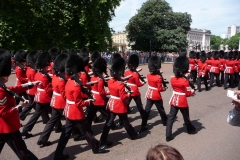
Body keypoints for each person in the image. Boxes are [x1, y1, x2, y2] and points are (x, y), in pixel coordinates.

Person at [54, 54, 106, 160]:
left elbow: (74, 96)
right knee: (86, 131)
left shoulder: (69, 82)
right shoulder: (76, 85)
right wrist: (89, 101)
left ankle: (58, 153)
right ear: (77, 70)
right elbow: (79, 103)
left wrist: (86, 94)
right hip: (76, 112)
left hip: (69, 111)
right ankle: (95, 147)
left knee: (65, 134)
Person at [0, 49, 38, 160]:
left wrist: (30, 84)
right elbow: (3, 113)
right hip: (7, 127)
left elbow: (12, 88)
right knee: (22, 151)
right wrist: (20, 107)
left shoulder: (2, 86)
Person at [100, 57, 140, 146]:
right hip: (119, 105)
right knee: (125, 122)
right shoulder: (120, 85)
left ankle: (103, 140)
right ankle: (133, 134)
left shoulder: (110, 81)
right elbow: (123, 97)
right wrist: (129, 93)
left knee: (109, 123)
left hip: (112, 104)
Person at [37, 53, 69, 147]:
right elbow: (64, 95)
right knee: (70, 121)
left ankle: (42, 139)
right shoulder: (61, 80)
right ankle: (77, 134)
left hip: (54, 102)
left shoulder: (55, 77)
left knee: (51, 121)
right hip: (61, 103)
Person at [166, 51, 197, 142]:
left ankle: (168, 135)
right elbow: (187, 93)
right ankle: (190, 129)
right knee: (186, 117)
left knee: (171, 118)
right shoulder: (185, 81)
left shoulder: (172, 79)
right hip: (182, 101)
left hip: (174, 100)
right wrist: (193, 91)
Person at [21, 52, 53, 138]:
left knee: (37, 113)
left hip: (37, 94)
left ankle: (26, 129)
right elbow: (46, 88)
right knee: (53, 114)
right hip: (42, 95)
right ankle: (56, 128)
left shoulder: (33, 71)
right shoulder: (37, 72)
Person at [141, 56, 168, 131]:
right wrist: (164, 88)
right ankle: (165, 122)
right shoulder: (158, 78)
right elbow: (160, 89)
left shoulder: (148, 75)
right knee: (161, 110)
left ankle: (143, 125)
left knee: (147, 110)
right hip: (156, 95)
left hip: (149, 94)